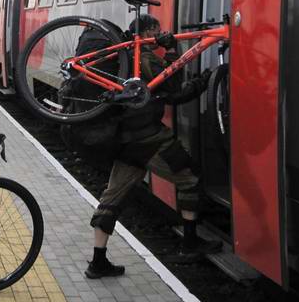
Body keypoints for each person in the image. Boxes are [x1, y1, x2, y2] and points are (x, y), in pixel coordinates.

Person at [68, 14, 220, 279]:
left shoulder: (126, 57)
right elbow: (172, 88)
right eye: (157, 31)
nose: (160, 35)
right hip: (149, 140)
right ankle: (190, 243)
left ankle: (97, 262)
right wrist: (173, 49)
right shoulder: (145, 58)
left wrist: (198, 84)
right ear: (149, 31)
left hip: (123, 141)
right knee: (190, 178)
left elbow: (169, 92)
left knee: (112, 198)